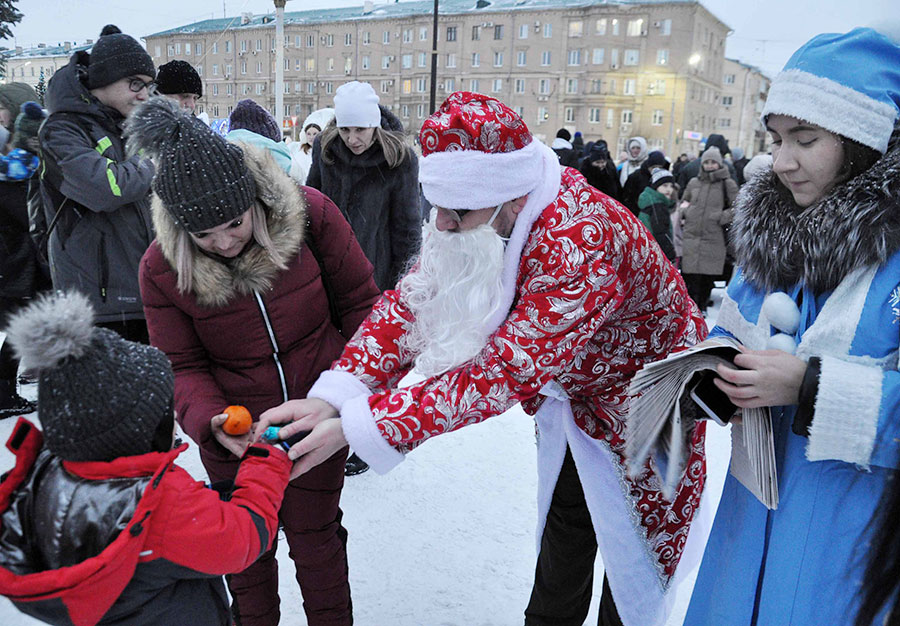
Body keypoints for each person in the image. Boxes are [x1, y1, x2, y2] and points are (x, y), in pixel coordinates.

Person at [257, 92, 709, 626]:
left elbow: (503, 371)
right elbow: (411, 305)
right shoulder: (480, 213)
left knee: (631, 561)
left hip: (653, 410)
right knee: (567, 526)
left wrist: (361, 425)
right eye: (436, 207)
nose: (442, 225)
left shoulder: (579, 241)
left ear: (512, 198)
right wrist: (339, 394)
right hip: (577, 401)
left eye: (457, 212)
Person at [678, 28, 900, 626]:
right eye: (776, 138)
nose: (781, 161)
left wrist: (811, 387)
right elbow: (734, 337)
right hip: (749, 533)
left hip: (850, 545)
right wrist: (712, 379)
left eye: (806, 139)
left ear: (867, 145)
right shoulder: (774, 241)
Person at [130, 97, 380, 626]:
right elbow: (182, 365)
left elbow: (363, 310)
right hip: (235, 435)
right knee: (245, 551)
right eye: (203, 235)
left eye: (234, 223)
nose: (222, 243)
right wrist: (210, 422)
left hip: (316, 417)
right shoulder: (160, 268)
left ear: (255, 202)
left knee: (317, 542)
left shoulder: (313, 214)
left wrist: (346, 395)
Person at [0, 290, 291, 626]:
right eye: (165, 414)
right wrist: (266, 463)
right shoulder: (164, 506)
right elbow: (243, 539)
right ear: (138, 433)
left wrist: (207, 499)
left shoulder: (49, 476)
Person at [37, 24, 156, 344]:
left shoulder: (127, 126)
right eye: (135, 84)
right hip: (95, 304)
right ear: (104, 79)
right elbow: (106, 189)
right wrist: (150, 159)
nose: (144, 94)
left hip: (146, 292)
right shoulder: (61, 131)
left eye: (148, 85)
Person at [307, 81, 420, 293]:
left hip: (376, 279)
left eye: (360, 129)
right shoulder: (325, 150)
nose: (352, 139)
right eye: (344, 129)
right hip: (329, 274)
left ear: (374, 125)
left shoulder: (399, 160)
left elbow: (407, 231)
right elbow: (311, 210)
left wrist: (402, 286)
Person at [0, 100, 48, 419]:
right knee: (22, 329)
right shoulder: (24, 174)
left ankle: (7, 389)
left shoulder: (9, 168)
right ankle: (4, 393)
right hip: (20, 266)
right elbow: (28, 222)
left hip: (15, 266)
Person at [679, 146, 738, 312]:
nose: (710, 165)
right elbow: (684, 201)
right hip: (692, 235)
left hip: (713, 236)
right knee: (690, 275)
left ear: (719, 164)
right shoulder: (694, 182)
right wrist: (686, 212)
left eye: (713, 162)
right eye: (707, 162)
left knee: (706, 276)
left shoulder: (728, 184)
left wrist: (720, 217)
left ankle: (701, 307)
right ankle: (690, 308)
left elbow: (738, 207)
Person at [637, 169, 677, 261]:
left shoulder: (649, 202)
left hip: (647, 249)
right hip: (657, 252)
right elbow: (661, 232)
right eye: (664, 185)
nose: (669, 189)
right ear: (656, 186)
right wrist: (670, 254)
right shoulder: (658, 206)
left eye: (671, 186)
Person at [288, 107, 335, 183]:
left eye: (314, 134)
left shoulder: (325, 152)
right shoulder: (300, 151)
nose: (311, 137)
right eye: (309, 134)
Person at [621, 150, 669, 214]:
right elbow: (627, 197)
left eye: (659, 167)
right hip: (637, 213)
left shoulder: (664, 178)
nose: (656, 170)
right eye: (653, 167)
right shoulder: (635, 176)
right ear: (648, 166)